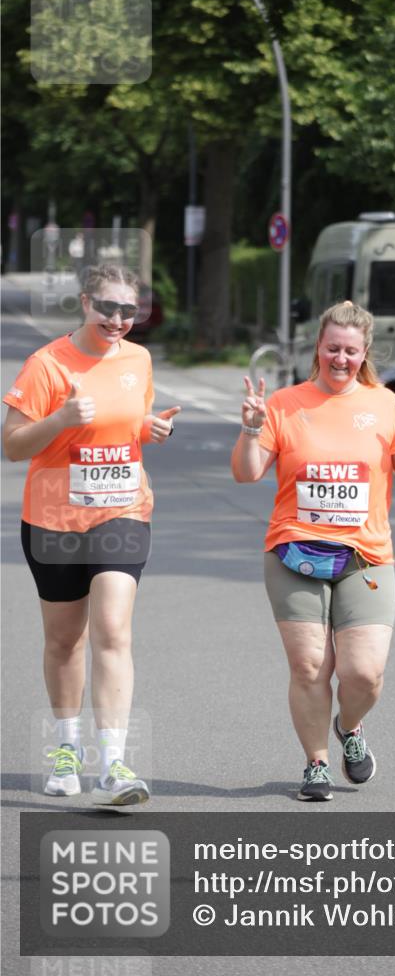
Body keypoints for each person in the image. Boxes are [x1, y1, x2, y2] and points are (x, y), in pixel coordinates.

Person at [232, 300, 395, 801]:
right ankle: (316, 764)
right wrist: (251, 427)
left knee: (363, 673)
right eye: (332, 349)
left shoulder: (384, 403)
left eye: (350, 350)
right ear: (318, 349)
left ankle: (348, 727)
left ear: (364, 351)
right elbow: (246, 472)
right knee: (309, 666)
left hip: (364, 556)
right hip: (293, 552)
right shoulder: (285, 403)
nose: (340, 358)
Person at [3, 263, 180, 806]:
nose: (119, 319)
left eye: (129, 310)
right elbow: (12, 445)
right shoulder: (47, 364)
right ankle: (65, 748)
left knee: (112, 628)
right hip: (54, 518)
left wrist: (150, 429)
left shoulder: (139, 359)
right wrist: (61, 419)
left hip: (122, 510)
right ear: (85, 303)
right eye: (108, 308)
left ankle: (115, 763)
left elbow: (130, 423)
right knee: (64, 639)